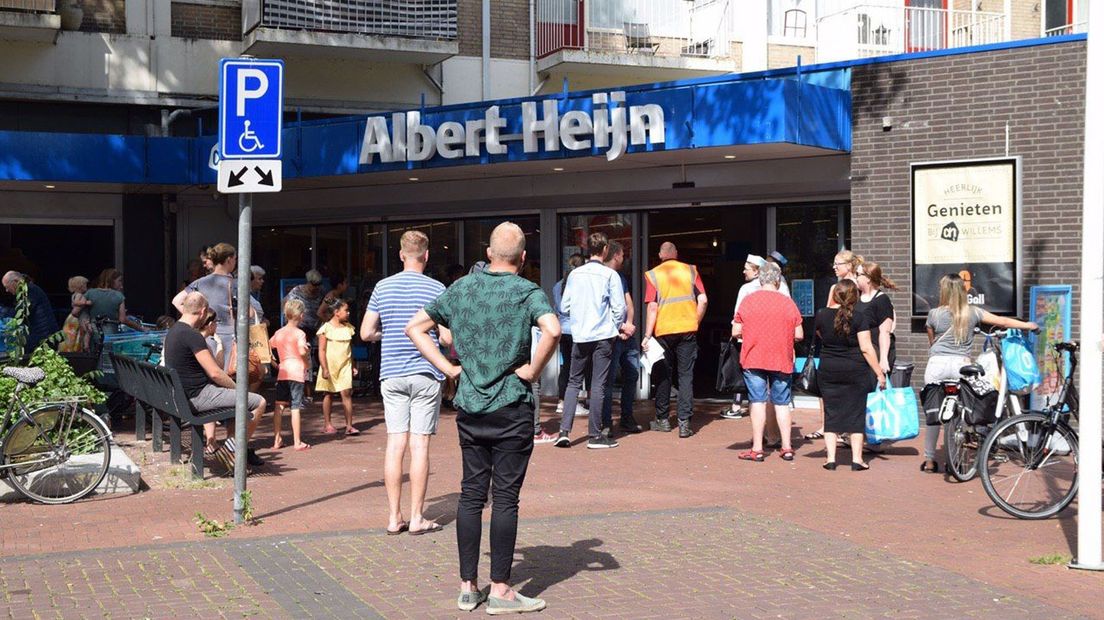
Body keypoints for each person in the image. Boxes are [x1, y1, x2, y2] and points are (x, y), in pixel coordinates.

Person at [406, 221, 560, 615]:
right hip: (512, 404)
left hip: (471, 406)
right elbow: (553, 330)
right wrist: (532, 370)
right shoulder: (527, 291)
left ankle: (467, 586)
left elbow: (415, 328)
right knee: (505, 497)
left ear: (489, 254)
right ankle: (502, 590)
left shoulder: (461, 289)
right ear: (523, 258)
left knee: (472, 494)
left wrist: (448, 368)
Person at [361, 230, 449, 536]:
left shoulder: (382, 287)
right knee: (420, 444)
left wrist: (388, 335)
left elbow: (365, 332)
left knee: (395, 442)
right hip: (426, 373)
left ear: (401, 255)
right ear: (426, 255)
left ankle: (393, 517)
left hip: (392, 372)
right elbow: (447, 336)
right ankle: (417, 517)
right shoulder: (437, 288)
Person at [920, 273, 1037, 473]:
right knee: (962, 409)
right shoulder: (973, 312)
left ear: (944, 291)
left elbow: (932, 341)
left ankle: (930, 461)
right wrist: (1028, 325)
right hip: (961, 365)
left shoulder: (934, 314)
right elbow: (1003, 322)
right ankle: (956, 458)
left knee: (934, 413)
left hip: (936, 365)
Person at [163, 292, 266, 467]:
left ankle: (232, 450)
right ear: (203, 311)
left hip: (182, 397)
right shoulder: (192, 336)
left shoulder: (173, 331)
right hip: (198, 397)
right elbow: (215, 373)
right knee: (258, 402)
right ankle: (232, 451)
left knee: (237, 406)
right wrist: (237, 389)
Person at [554, 232, 625, 450]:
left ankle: (564, 431)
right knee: (598, 384)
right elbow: (619, 308)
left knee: (573, 381)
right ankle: (595, 435)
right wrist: (613, 327)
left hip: (581, 335)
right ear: (605, 250)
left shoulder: (575, 275)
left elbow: (563, 306)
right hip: (603, 335)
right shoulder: (610, 275)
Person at [732, 262, 803, 462]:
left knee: (758, 402)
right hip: (781, 358)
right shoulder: (788, 303)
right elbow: (799, 334)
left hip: (754, 357)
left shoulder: (748, 301)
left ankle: (757, 448)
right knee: (782, 403)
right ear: (778, 280)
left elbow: (735, 331)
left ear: (760, 279)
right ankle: (787, 447)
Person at [814, 280, 883, 471]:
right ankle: (857, 459)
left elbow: (821, 335)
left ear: (835, 295)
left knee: (831, 413)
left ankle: (830, 459)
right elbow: (867, 348)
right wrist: (879, 373)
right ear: (855, 297)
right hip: (855, 370)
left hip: (828, 369)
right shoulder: (860, 317)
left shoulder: (821, 314)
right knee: (856, 414)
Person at [642, 242, 707, 438]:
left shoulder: (653, 274)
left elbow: (652, 307)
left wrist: (647, 335)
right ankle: (685, 423)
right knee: (685, 375)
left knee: (663, 374)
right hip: (687, 329)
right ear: (676, 254)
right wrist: (695, 321)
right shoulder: (690, 270)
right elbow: (703, 299)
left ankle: (662, 420)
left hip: (663, 331)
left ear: (661, 255)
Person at [803, 249, 863, 443]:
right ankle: (829, 426)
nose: (834, 267)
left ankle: (844, 429)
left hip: (850, 344)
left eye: (838, 264)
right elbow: (828, 315)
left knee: (848, 389)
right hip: (834, 344)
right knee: (828, 388)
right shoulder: (834, 287)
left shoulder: (859, 285)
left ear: (849, 266)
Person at [172, 244, 239, 367]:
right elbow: (249, 312)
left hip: (206, 334)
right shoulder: (235, 284)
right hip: (229, 336)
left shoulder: (200, 282)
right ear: (229, 260)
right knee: (229, 376)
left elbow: (177, 301)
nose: (235, 263)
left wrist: (198, 319)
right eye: (235, 259)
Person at [600, 240, 643, 435]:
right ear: (616, 255)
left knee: (632, 375)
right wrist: (620, 328)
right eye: (623, 254)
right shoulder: (601, 276)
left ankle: (626, 417)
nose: (624, 258)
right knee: (608, 381)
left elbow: (628, 304)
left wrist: (630, 326)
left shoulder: (620, 277)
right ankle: (606, 422)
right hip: (611, 335)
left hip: (626, 335)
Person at [270, 299, 311, 452]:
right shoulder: (300, 333)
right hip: (296, 371)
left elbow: (268, 347)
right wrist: (306, 352)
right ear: (301, 315)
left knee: (279, 405)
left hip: (283, 371)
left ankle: (277, 439)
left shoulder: (279, 333)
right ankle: (297, 441)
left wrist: (276, 364)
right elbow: (301, 351)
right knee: (295, 407)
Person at [552, 254, 588, 417]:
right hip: (577, 330)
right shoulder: (580, 285)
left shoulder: (558, 286)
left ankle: (562, 401)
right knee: (579, 367)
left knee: (566, 366)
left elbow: (557, 307)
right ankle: (573, 402)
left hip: (563, 330)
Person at [317, 298, 358, 435]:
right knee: (328, 393)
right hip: (330, 365)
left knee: (346, 393)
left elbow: (350, 349)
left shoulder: (348, 328)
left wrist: (353, 365)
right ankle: (327, 424)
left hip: (345, 365)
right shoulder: (325, 329)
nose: (348, 313)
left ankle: (349, 425)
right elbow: (322, 350)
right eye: (345, 310)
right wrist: (324, 368)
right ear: (336, 312)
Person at [855, 262, 898, 377]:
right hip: (859, 354)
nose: (856, 278)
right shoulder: (855, 298)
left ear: (868, 278)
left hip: (875, 353)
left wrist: (883, 358)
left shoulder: (881, 300)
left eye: (858, 274)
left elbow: (885, 332)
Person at [1, 271, 59, 353]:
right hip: (42, 336)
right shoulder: (30, 289)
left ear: (15, 281)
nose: (6, 290)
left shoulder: (29, 290)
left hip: (43, 337)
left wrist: (2, 311)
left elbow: (21, 312)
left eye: (7, 287)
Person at [85, 268, 146, 334]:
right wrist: (141, 328)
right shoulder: (118, 296)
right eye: (119, 281)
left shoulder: (90, 293)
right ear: (111, 280)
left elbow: (77, 312)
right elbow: (123, 320)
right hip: (110, 337)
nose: (121, 285)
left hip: (92, 335)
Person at [59, 275, 92, 353]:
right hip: (76, 318)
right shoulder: (80, 295)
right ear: (80, 286)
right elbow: (76, 303)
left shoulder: (74, 294)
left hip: (72, 318)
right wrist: (86, 302)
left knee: (71, 336)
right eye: (85, 284)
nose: (86, 286)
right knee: (77, 335)